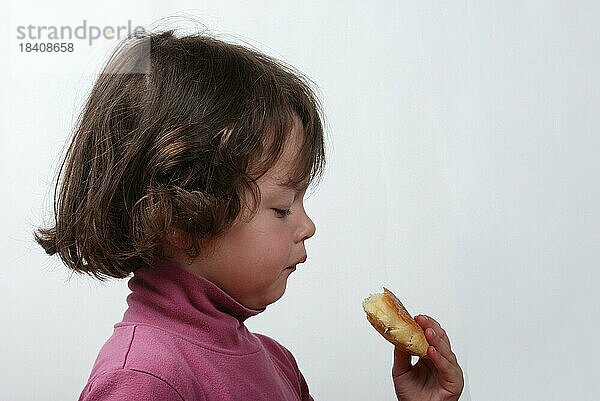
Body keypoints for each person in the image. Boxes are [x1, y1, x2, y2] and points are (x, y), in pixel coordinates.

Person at [35, 29, 464, 401]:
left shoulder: (277, 363)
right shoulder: (143, 380)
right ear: (182, 220)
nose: (308, 226)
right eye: (281, 208)